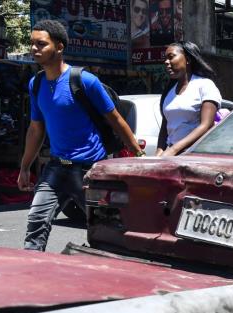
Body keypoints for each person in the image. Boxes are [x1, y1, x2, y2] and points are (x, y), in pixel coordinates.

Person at [18, 19, 143, 251]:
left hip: (89, 170)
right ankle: (32, 271)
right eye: (32, 43)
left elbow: (115, 119)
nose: (34, 48)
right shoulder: (36, 84)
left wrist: (138, 152)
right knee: (36, 222)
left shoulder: (84, 80)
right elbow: (36, 129)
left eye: (41, 44)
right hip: (56, 168)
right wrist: (25, 167)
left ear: (59, 47)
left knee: (107, 230)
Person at [156, 41, 221, 156]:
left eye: (171, 57)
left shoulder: (205, 85)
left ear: (188, 59)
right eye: (165, 58)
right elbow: (165, 129)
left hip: (196, 156)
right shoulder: (169, 92)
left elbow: (205, 125)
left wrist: (173, 150)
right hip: (172, 158)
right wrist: (158, 154)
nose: (166, 62)